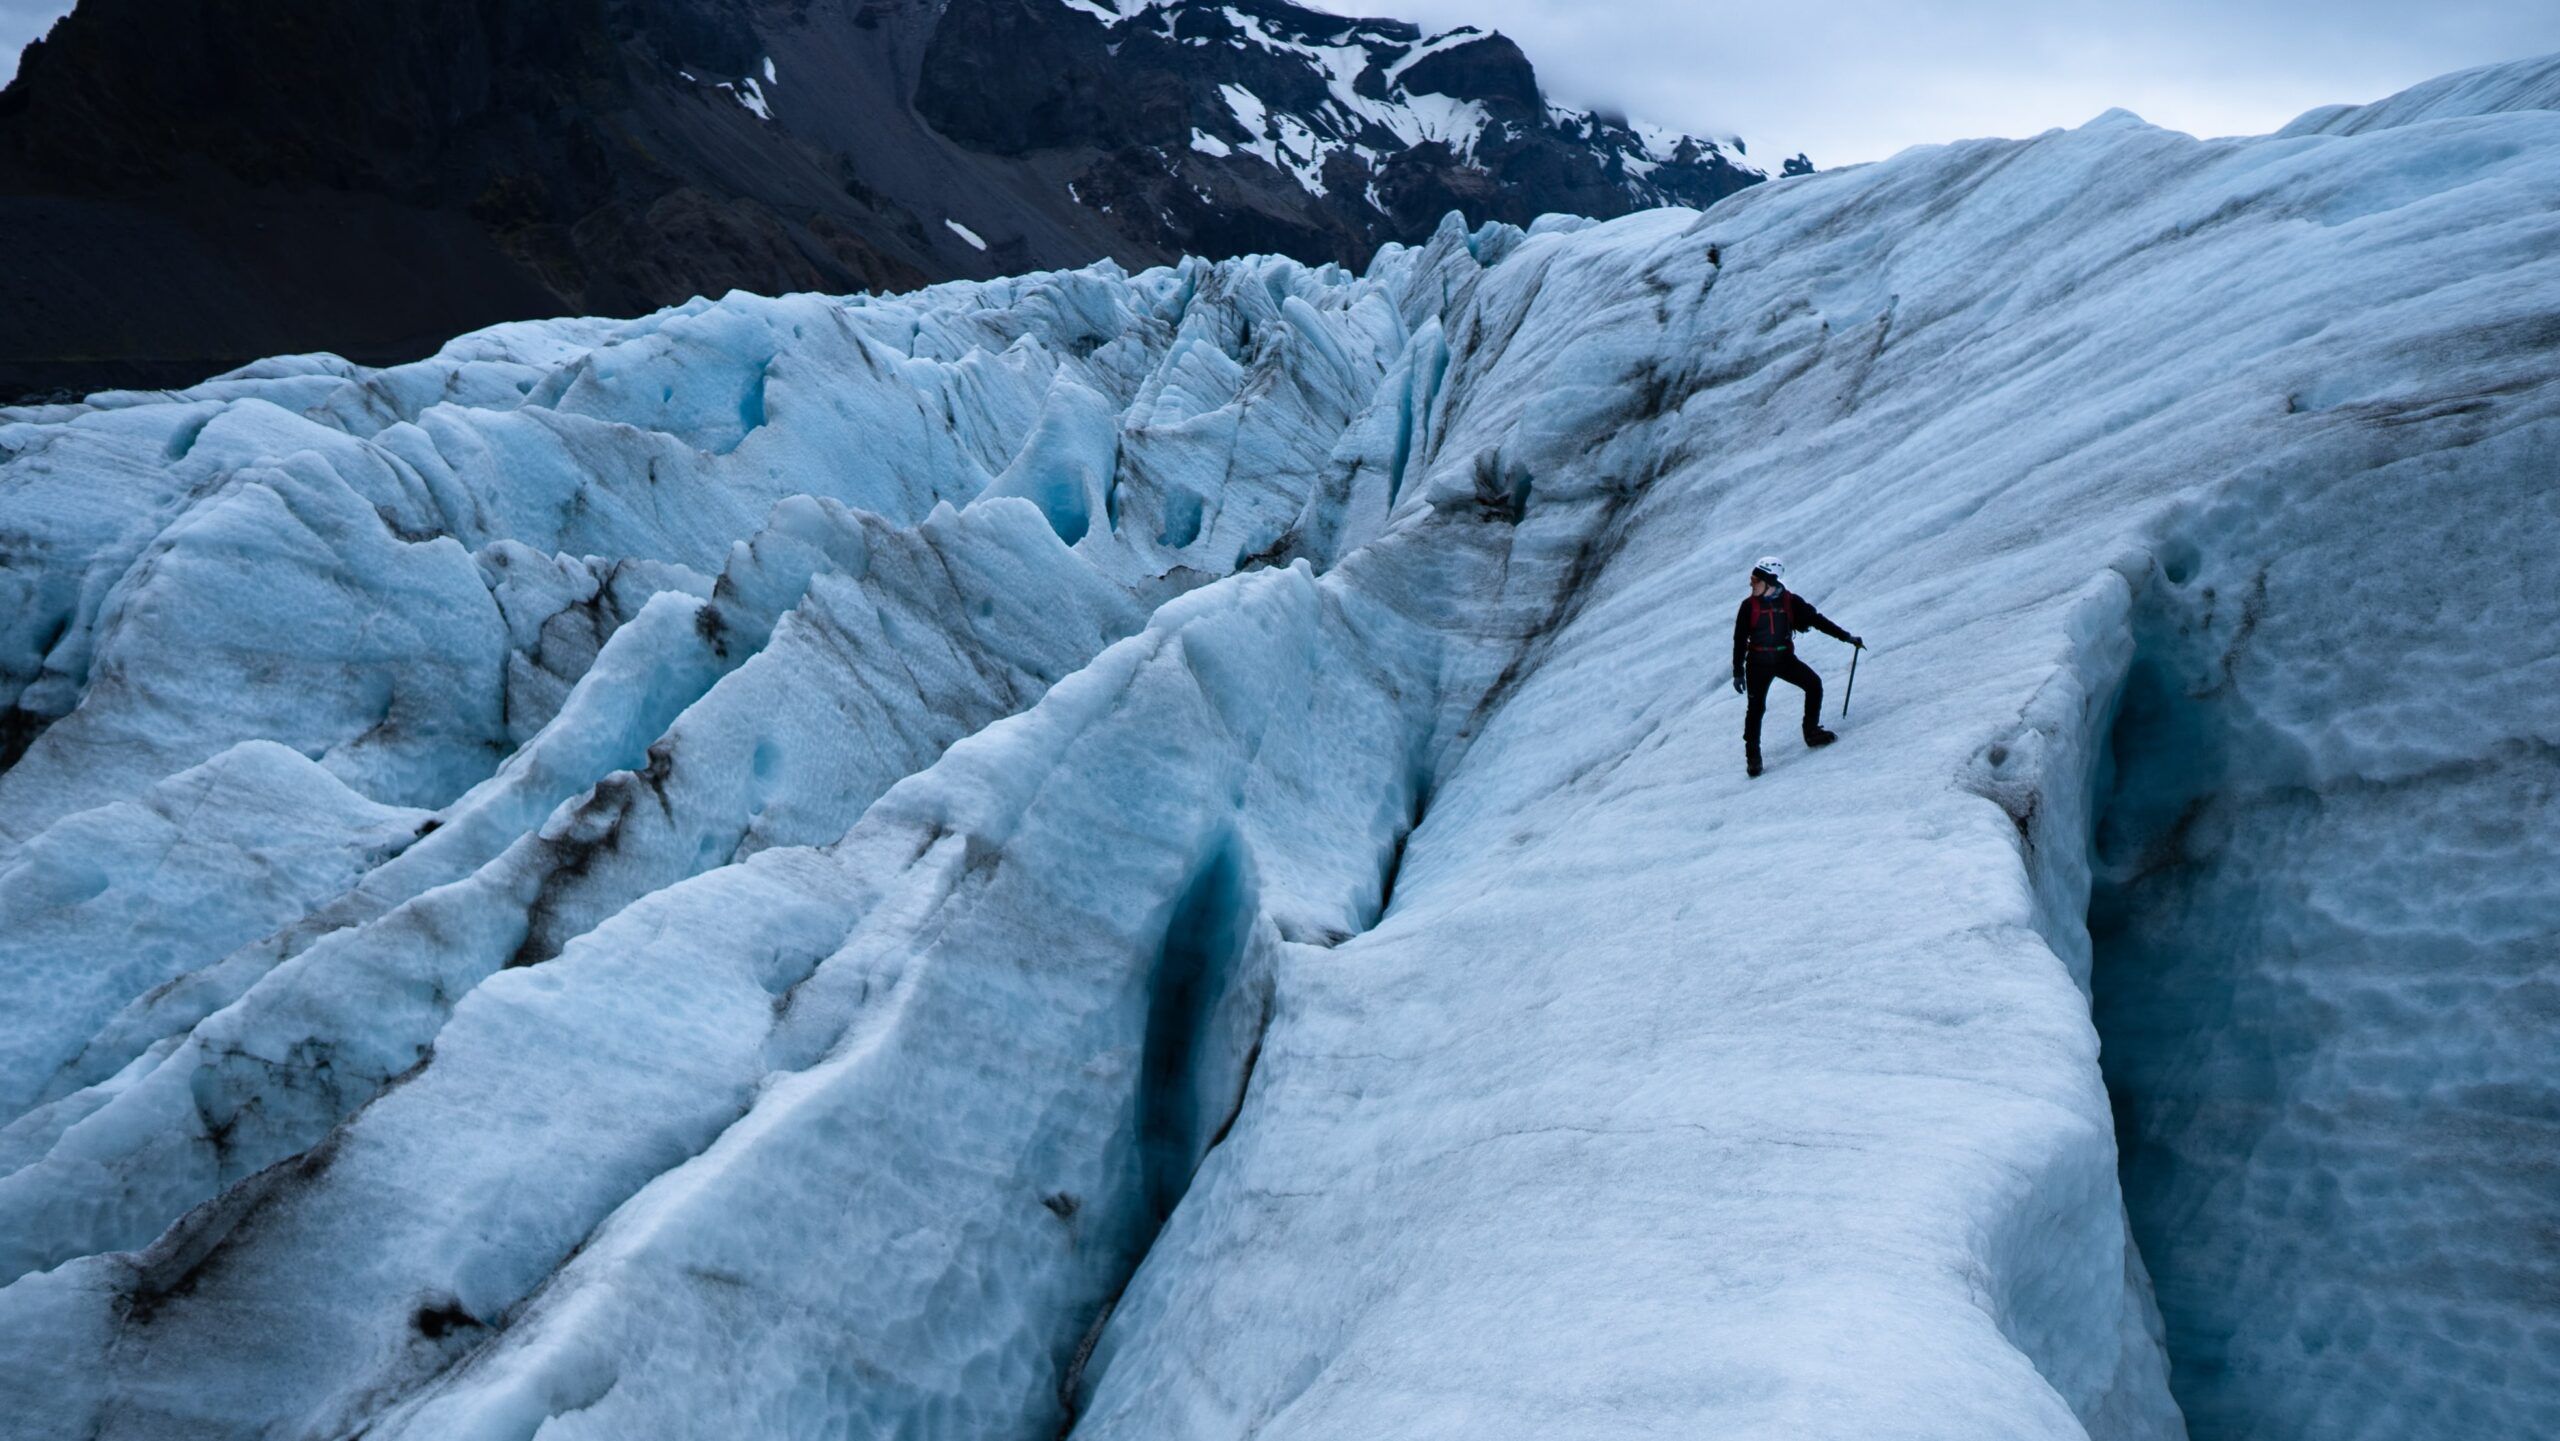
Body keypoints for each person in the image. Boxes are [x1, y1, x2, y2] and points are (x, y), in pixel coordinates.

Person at [1730, 556, 1863, 778]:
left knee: (1813, 684)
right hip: (1758, 663)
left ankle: (1811, 732)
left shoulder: (1790, 602)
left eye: (1755, 579)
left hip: (1783, 659)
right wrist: (1737, 672)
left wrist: (1847, 637)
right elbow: (1739, 639)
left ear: (1769, 581)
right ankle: (1753, 758)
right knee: (1756, 709)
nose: (1751, 583)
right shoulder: (1748, 607)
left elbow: (1818, 621)